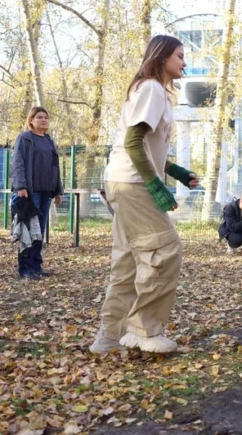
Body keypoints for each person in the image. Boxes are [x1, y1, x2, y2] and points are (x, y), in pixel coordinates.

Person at [89, 35, 199, 355]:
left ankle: (110, 337)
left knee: (128, 262)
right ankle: (144, 331)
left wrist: (175, 172)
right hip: (133, 184)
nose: (184, 62)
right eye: (179, 55)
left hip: (122, 181)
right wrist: (157, 187)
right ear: (162, 57)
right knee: (165, 249)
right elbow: (134, 142)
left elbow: (147, 147)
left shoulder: (153, 91)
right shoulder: (150, 88)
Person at [10, 107, 63, 280]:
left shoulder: (49, 140)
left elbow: (55, 167)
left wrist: (58, 190)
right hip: (30, 192)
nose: (43, 120)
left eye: (46, 117)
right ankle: (25, 269)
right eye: (39, 117)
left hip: (47, 191)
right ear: (31, 120)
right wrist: (21, 186)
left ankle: (36, 266)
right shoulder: (25, 138)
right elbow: (18, 163)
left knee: (40, 229)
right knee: (28, 229)